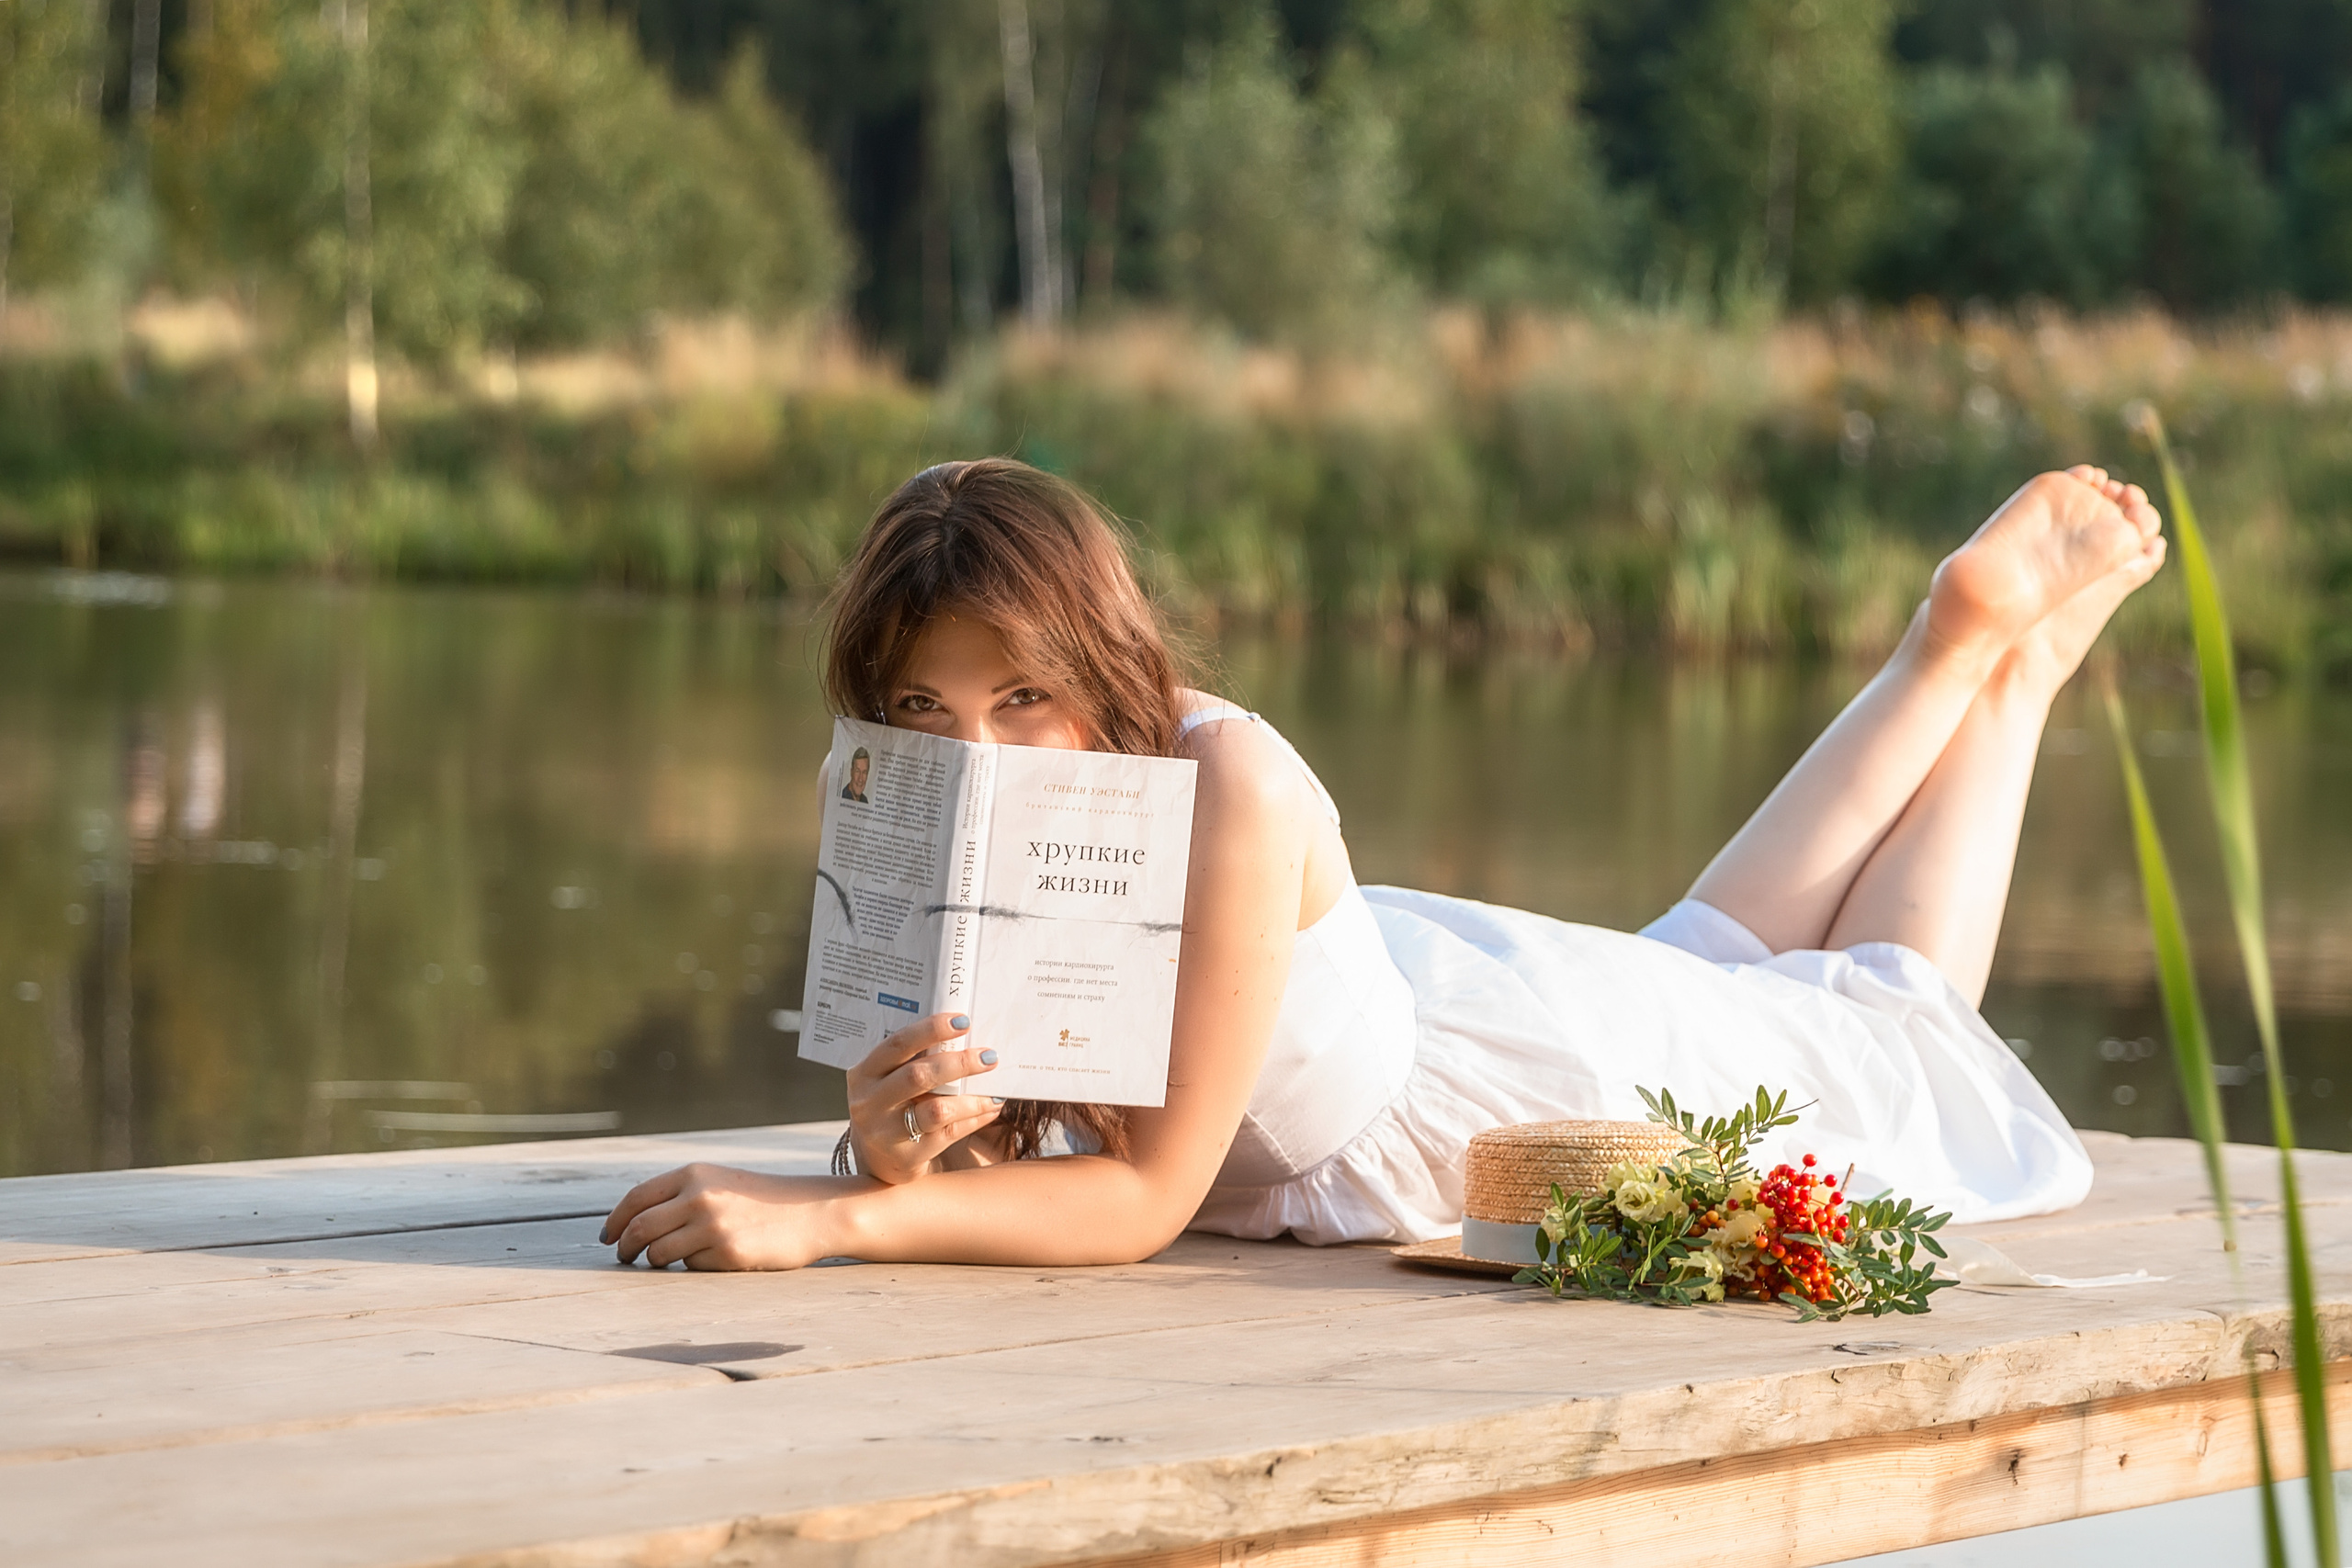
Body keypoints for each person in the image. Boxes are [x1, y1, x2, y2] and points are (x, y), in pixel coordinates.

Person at [603, 457, 2167, 1270]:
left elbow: (1144, 1197)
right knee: (1714, 961)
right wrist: (894, 1148)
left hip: (1475, 1098)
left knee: (1890, 1027)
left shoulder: (1226, 782)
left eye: (1028, 697)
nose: (984, 761)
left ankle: (1997, 666)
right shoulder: (922, 801)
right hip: (1408, 1000)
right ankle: (1953, 649)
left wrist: (825, 1221)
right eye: (928, 714)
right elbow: (1015, 1163)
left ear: (1102, 657)